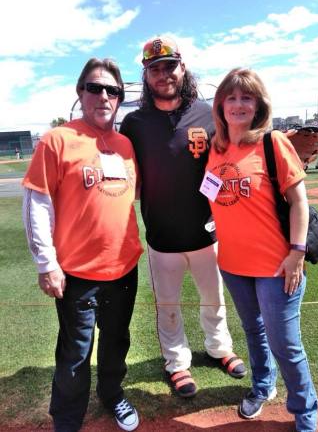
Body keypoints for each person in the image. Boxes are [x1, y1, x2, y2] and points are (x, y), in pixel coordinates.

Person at [120, 36, 246, 398]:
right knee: (169, 307)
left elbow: (234, 155)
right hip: (162, 238)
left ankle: (219, 348)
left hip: (207, 232)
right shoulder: (134, 123)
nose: (164, 74)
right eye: (154, 69)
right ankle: (176, 362)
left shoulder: (208, 113)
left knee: (214, 299)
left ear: (183, 67)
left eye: (170, 66)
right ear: (146, 76)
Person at [22, 58, 143, 432]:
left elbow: (127, 197)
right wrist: (47, 263)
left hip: (123, 267)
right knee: (75, 353)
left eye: (113, 90)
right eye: (95, 88)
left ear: (120, 98)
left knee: (117, 341)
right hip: (76, 272)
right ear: (80, 92)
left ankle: (112, 394)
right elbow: (36, 202)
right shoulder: (57, 139)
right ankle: (68, 418)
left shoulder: (124, 144)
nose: (104, 96)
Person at [205, 67, 318, 432]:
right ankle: (263, 386)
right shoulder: (217, 147)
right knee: (253, 332)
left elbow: (299, 202)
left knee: (285, 343)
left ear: (258, 105)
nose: (238, 104)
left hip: (276, 264)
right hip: (233, 263)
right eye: (231, 97)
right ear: (220, 105)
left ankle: (305, 413)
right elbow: (214, 196)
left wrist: (296, 253)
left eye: (246, 97)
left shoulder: (273, 143)